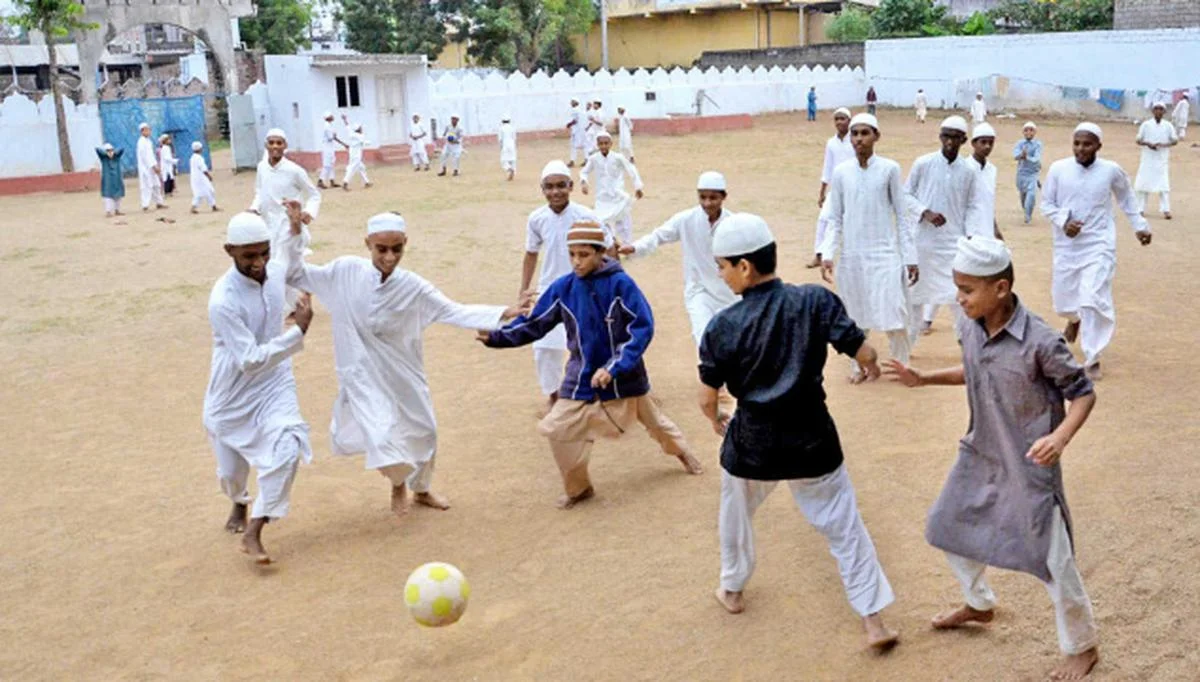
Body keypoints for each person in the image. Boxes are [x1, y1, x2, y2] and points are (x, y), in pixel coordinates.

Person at [886, 236, 1101, 682]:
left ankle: (1083, 647)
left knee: (1053, 559)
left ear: (1000, 288)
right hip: (981, 451)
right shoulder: (970, 325)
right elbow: (973, 367)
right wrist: (923, 378)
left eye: (967, 289)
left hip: (1029, 465)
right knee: (946, 527)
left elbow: (1083, 393)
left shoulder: (1041, 341)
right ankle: (979, 604)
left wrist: (1059, 438)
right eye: (957, 287)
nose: (958, 298)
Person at [699, 213, 899, 650]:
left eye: (723, 266)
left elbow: (707, 397)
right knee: (845, 527)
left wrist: (714, 420)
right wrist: (869, 364)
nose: (721, 274)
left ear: (745, 266)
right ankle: (873, 620)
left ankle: (732, 588)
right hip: (812, 440)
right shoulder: (815, 301)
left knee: (735, 513)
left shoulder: (722, 326)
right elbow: (863, 350)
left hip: (752, 445)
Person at [283, 209, 527, 516]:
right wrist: (295, 232)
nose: (389, 257)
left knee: (425, 431)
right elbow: (296, 274)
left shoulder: (413, 286)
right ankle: (398, 484)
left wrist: (503, 313)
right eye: (381, 249)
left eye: (396, 249)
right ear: (367, 243)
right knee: (382, 433)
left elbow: (452, 310)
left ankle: (421, 490)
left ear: (405, 244)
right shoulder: (345, 271)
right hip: (361, 373)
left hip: (404, 370)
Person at [482, 221, 703, 509]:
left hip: (625, 374)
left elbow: (642, 328)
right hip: (581, 375)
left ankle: (682, 453)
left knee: (655, 422)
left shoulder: (621, 284)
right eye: (572, 254)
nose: (576, 261)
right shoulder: (563, 288)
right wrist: (497, 337)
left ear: (601, 253)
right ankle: (579, 488)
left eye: (584, 254)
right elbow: (535, 322)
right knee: (558, 430)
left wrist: (613, 367)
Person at [204, 212, 315, 565]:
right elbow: (250, 360)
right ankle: (239, 500)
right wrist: (297, 332)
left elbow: (289, 257)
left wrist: (295, 230)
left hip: (275, 381)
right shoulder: (223, 300)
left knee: (289, 444)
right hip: (232, 393)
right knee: (231, 474)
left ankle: (256, 527)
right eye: (248, 256)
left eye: (264, 253)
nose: (259, 263)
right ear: (229, 251)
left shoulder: (274, 270)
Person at [1040, 122, 1152, 380]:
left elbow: (1127, 198)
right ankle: (1074, 319)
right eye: (1077, 143)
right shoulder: (1059, 169)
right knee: (1063, 302)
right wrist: (1064, 221)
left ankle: (1092, 357)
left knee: (1092, 297)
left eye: (1087, 144)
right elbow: (1046, 204)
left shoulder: (1110, 170)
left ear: (1098, 146)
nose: (1081, 149)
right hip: (1067, 246)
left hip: (1099, 244)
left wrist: (1140, 226)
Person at [819, 112, 918, 380]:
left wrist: (910, 257)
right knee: (855, 316)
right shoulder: (841, 173)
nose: (859, 139)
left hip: (885, 256)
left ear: (877, 136)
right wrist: (828, 254)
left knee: (894, 314)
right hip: (853, 257)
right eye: (855, 133)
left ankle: (901, 367)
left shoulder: (889, 169)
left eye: (865, 133)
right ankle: (859, 367)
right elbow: (835, 218)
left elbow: (902, 216)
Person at [519, 161, 606, 415]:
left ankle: (592, 394)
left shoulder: (586, 216)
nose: (555, 192)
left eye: (561, 185)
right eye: (549, 187)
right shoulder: (536, 219)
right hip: (550, 290)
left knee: (589, 343)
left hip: (584, 288)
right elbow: (531, 253)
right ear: (542, 189)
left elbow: (607, 249)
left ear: (571, 186)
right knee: (544, 347)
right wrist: (523, 290)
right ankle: (554, 396)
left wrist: (608, 286)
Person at [620, 171, 738, 345]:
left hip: (729, 293)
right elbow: (659, 236)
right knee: (703, 339)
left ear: (724, 197)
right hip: (699, 291)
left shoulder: (734, 224)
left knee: (733, 341)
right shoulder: (686, 219)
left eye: (713, 198)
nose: (707, 203)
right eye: (703, 197)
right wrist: (635, 247)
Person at [905, 115, 987, 341]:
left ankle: (966, 345)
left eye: (955, 137)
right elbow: (905, 195)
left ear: (964, 140)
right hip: (923, 242)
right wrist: (925, 212)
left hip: (954, 244)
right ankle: (906, 346)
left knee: (958, 296)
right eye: (946, 137)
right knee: (915, 295)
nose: (950, 142)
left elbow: (973, 205)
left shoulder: (968, 171)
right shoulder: (923, 163)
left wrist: (970, 235)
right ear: (940, 137)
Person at [249, 128, 321, 255]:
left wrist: (309, 212)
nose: (275, 146)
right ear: (266, 145)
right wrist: (253, 208)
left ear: (285, 145)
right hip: (268, 225)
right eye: (271, 143)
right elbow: (259, 191)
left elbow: (314, 195)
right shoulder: (262, 167)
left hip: (288, 226)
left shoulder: (294, 170)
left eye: (279, 143)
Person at [808, 107, 855, 269]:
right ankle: (819, 254)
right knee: (823, 219)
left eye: (843, 118)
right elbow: (827, 168)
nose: (839, 122)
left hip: (854, 189)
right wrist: (822, 192)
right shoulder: (831, 143)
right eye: (837, 119)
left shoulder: (855, 140)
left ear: (849, 121)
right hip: (835, 190)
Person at [581, 130, 644, 245]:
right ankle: (611, 243)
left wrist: (638, 187)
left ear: (611, 144)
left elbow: (631, 170)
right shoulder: (594, 158)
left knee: (623, 222)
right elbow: (584, 171)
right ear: (597, 145)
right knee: (601, 221)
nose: (603, 146)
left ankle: (627, 245)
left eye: (606, 143)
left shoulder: (618, 157)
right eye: (601, 144)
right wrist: (584, 182)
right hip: (602, 197)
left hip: (618, 195)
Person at [1134, 102, 1178, 220]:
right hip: (1147, 159)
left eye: (1161, 109)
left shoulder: (1168, 126)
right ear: (1153, 111)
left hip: (1161, 159)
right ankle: (1140, 209)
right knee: (1143, 184)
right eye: (1156, 109)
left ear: (1164, 111)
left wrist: (1164, 144)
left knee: (1163, 185)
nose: (1158, 111)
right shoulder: (1146, 125)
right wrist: (1148, 143)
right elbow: (1138, 139)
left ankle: (1166, 210)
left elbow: (1175, 140)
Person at [968, 123, 1003, 240]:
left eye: (991, 143)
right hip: (969, 232)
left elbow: (988, 203)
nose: (987, 146)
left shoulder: (992, 170)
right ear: (973, 143)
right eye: (983, 142)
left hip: (987, 230)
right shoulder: (965, 168)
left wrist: (995, 230)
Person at [1013, 122, 1043, 224]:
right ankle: (1026, 210)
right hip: (1021, 174)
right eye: (1026, 130)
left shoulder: (1038, 144)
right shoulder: (1019, 144)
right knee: (1023, 195)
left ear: (1035, 132)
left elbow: (1036, 158)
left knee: (1032, 195)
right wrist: (1021, 155)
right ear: (1023, 132)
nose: (1028, 132)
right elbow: (1015, 156)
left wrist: (1027, 157)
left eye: (1031, 130)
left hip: (1033, 174)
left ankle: (1028, 216)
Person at [136, 122, 166, 211]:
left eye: (149, 130)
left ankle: (159, 203)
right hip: (146, 168)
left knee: (156, 185)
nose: (149, 132)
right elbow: (145, 157)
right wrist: (153, 166)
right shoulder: (141, 142)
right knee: (147, 186)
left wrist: (155, 165)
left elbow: (151, 156)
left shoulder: (148, 141)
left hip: (152, 166)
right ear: (142, 131)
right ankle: (145, 205)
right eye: (147, 130)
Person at [317, 111, 347, 189]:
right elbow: (331, 137)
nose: (333, 117)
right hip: (327, 148)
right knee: (326, 165)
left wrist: (343, 144)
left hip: (330, 147)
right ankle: (320, 181)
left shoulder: (330, 125)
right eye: (331, 116)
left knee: (331, 164)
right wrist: (343, 143)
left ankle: (332, 181)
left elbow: (334, 137)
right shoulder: (327, 126)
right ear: (328, 117)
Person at [96, 143, 125, 218]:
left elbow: (122, 148)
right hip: (108, 180)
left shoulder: (116, 157)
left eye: (111, 150)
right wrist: (106, 153)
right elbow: (97, 149)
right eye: (108, 150)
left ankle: (117, 210)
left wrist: (114, 152)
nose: (110, 152)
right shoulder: (104, 158)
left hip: (117, 179)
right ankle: (108, 211)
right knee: (108, 196)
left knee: (118, 196)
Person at [189, 141, 219, 213]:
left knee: (208, 191)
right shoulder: (199, 158)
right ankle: (193, 207)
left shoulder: (192, 157)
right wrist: (209, 176)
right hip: (201, 178)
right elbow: (203, 169)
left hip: (197, 178)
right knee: (202, 193)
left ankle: (213, 206)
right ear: (199, 149)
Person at [342, 122, 372, 191]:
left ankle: (367, 182)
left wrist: (345, 120)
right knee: (352, 169)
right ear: (358, 129)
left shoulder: (351, 133)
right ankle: (345, 183)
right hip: (357, 156)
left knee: (361, 168)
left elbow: (348, 127)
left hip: (352, 154)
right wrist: (369, 142)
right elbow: (364, 142)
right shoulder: (359, 136)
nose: (362, 129)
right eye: (360, 128)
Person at [567, 99, 587, 167]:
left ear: (576, 103)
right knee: (584, 145)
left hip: (576, 131)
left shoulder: (575, 110)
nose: (571, 103)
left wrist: (569, 124)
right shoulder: (581, 110)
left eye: (572, 102)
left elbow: (575, 120)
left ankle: (572, 161)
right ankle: (586, 159)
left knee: (574, 146)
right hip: (581, 130)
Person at [499, 115, 518, 181]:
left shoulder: (501, 128)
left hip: (505, 145)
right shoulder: (512, 128)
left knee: (504, 160)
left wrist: (501, 147)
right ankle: (513, 171)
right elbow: (514, 138)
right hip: (512, 145)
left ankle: (509, 169)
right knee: (513, 160)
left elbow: (500, 139)